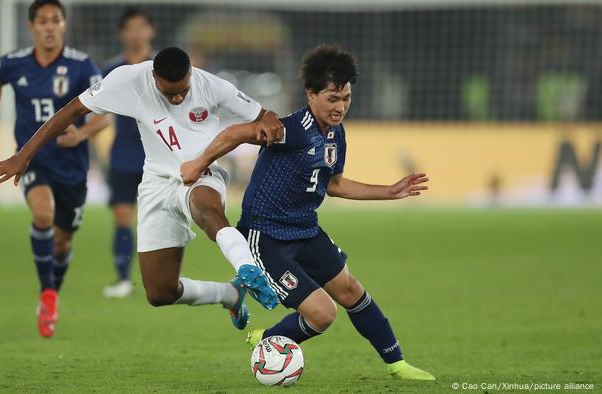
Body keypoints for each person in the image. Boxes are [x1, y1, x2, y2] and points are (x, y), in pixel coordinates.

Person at [180, 44, 436, 380]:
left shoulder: (335, 134)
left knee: (351, 291)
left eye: (346, 97)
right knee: (323, 315)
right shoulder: (291, 130)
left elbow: (335, 184)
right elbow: (234, 133)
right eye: (332, 98)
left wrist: (388, 191)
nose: (340, 106)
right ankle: (270, 339)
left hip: (305, 230)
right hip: (265, 237)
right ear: (310, 94)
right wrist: (200, 163)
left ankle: (397, 364)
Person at [0, 47, 284, 331]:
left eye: (184, 89)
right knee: (160, 292)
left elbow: (263, 115)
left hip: (201, 173)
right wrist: (24, 154)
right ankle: (230, 295)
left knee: (207, 210)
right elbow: (72, 110)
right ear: (154, 78)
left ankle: (248, 268)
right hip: (156, 182)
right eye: (171, 93)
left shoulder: (212, 85)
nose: (179, 97)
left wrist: (270, 119)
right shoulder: (127, 80)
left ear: (191, 73)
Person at [0, 0, 109, 338]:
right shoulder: (14, 63)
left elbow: (105, 114)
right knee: (43, 214)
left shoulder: (81, 66)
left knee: (62, 243)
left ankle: (51, 292)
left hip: (73, 168)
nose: (49, 27)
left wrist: (80, 132)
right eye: (43, 21)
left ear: (64, 25)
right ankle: (48, 294)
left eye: (55, 21)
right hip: (33, 161)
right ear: (31, 26)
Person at [100, 8, 155, 298]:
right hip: (122, 155)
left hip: (157, 156)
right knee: (122, 216)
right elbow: (98, 113)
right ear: (123, 33)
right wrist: (80, 134)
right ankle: (123, 279)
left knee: (163, 218)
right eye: (131, 28)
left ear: (150, 31)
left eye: (141, 27)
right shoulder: (110, 70)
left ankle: (166, 276)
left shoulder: (163, 67)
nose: (136, 33)